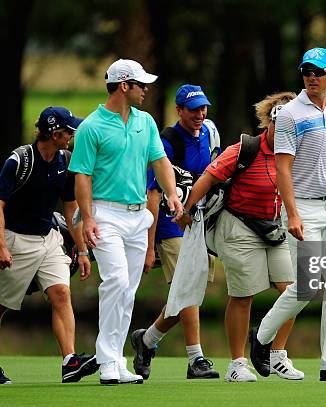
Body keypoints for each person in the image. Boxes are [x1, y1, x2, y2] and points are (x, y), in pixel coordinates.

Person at [248, 48, 326, 381]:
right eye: (306, 71)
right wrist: (293, 214)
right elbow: (282, 168)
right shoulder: (289, 115)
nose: (311, 77)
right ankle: (261, 335)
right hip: (304, 207)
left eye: (318, 71)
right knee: (307, 285)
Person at [69, 59, 183, 385]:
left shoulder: (144, 122)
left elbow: (159, 161)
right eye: (141, 84)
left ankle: (117, 359)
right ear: (124, 85)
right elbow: (82, 176)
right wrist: (87, 217)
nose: (146, 90)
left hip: (137, 217)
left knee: (128, 291)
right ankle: (106, 360)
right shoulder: (92, 126)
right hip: (105, 214)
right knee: (116, 282)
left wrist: (172, 194)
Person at [177, 92, 304, 382]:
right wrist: (186, 209)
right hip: (239, 225)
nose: (283, 132)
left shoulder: (297, 152)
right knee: (243, 294)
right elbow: (208, 177)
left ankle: (277, 356)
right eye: (278, 126)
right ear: (268, 124)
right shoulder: (244, 149)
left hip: (276, 226)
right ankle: (237, 363)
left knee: (293, 292)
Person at [0, 106, 97, 385]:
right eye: (69, 131)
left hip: (49, 238)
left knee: (61, 294)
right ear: (54, 133)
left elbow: (71, 209)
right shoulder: (19, 160)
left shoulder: (65, 161)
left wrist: (81, 250)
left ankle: (69, 361)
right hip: (15, 240)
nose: (72, 135)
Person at [130, 84, 220, 380]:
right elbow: (153, 195)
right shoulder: (167, 142)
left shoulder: (209, 133)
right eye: (193, 109)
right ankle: (196, 358)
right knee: (189, 288)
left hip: (200, 223)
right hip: (170, 226)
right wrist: (149, 243)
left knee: (185, 293)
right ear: (179, 110)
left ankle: (147, 341)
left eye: (203, 108)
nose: (200, 114)